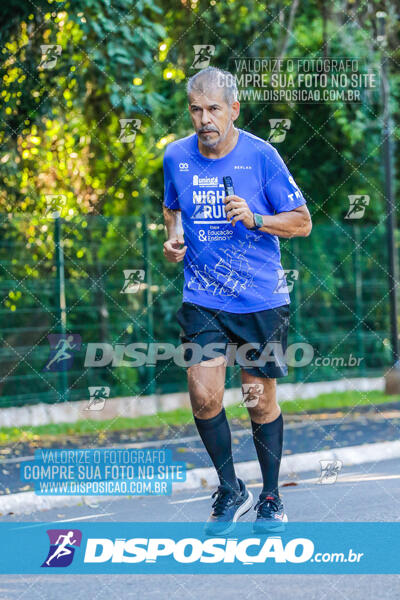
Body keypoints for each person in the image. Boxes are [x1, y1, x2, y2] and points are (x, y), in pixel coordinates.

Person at [162, 67, 312, 534]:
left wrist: (257, 218)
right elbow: (172, 208)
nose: (204, 119)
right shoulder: (175, 156)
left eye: (213, 109)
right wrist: (173, 238)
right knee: (204, 396)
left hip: (258, 298)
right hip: (203, 296)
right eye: (195, 109)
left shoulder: (261, 157)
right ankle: (230, 488)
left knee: (256, 399)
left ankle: (270, 496)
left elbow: (302, 221)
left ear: (234, 110)